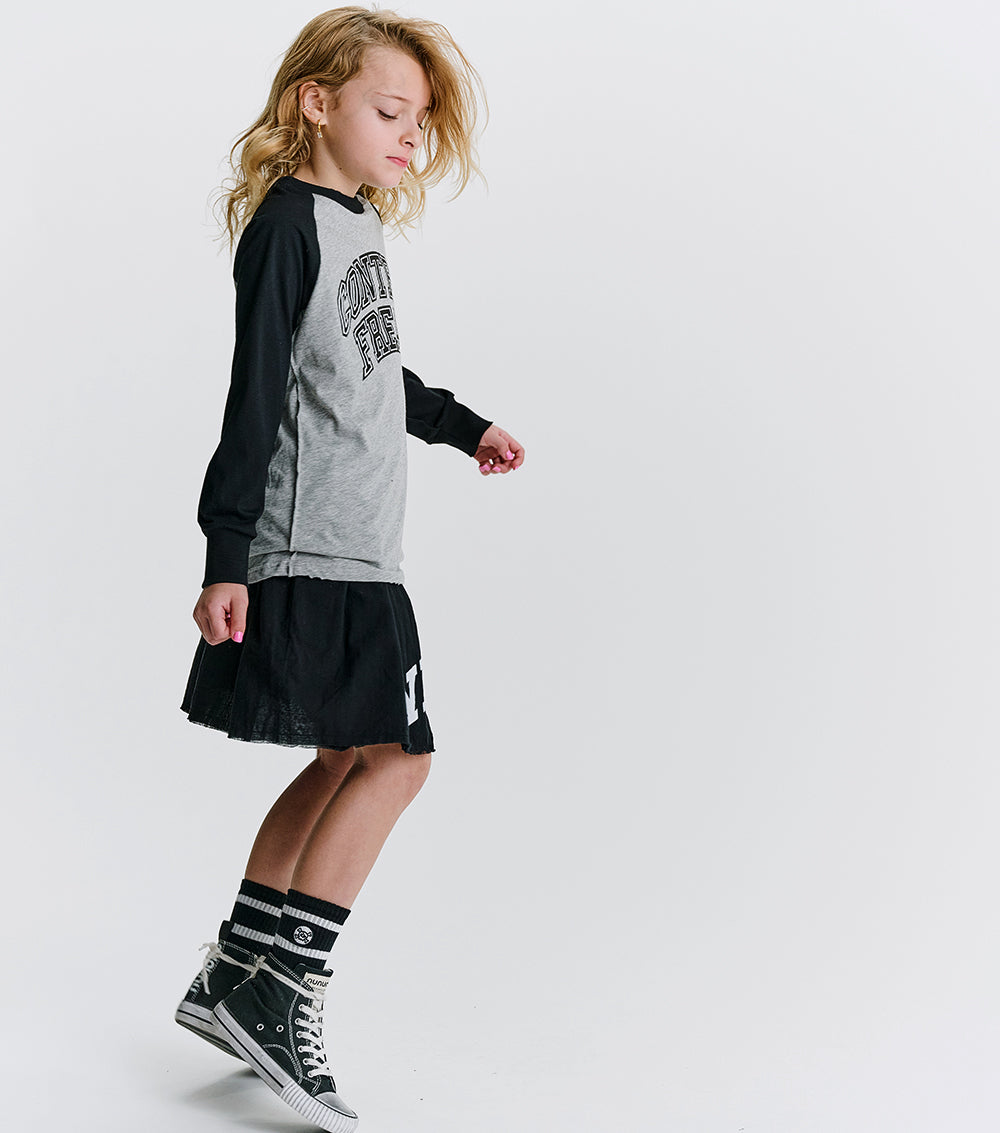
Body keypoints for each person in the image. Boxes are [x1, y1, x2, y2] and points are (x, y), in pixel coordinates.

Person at [174, 8, 524, 1131]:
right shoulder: (289, 226)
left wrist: (460, 423)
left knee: (345, 757)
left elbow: (368, 374)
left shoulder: (353, 225)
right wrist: (227, 553)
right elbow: (255, 391)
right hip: (315, 549)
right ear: (315, 103)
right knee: (397, 760)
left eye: (420, 121)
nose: (410, 136)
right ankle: (279, 989)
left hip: (357, 548)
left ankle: (237, 970)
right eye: (390, 111)